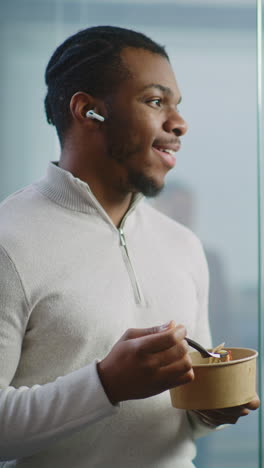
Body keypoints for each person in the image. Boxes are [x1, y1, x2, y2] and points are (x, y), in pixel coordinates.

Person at [0, 26, 259, 468]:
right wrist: (106, 384)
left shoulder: (184, 245)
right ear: (88, 110)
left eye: (177, 106)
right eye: (156, 101)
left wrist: (211, 410)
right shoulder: (8, 242)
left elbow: (186, 414)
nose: (179, 123)